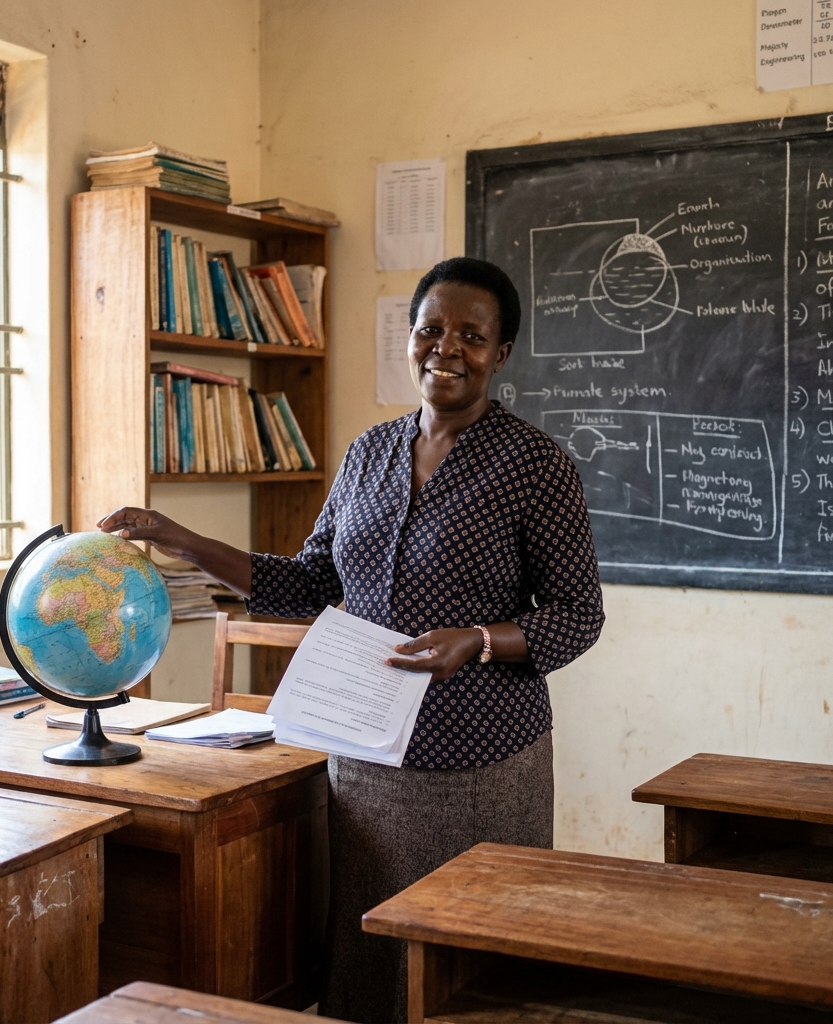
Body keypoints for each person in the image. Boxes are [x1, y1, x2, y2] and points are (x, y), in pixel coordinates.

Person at [99, 256, 604, 1022]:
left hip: (481, 764)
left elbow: (578, 613)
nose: (447, 348)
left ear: (501, 355)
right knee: (371, 959)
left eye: (472, 335)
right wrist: (186, 539)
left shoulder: (536, 465)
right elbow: (308, 580)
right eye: (431, 329)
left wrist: (478, 638)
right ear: (410, 338)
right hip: (365, 759)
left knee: (471, 970)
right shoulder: (370, 452)